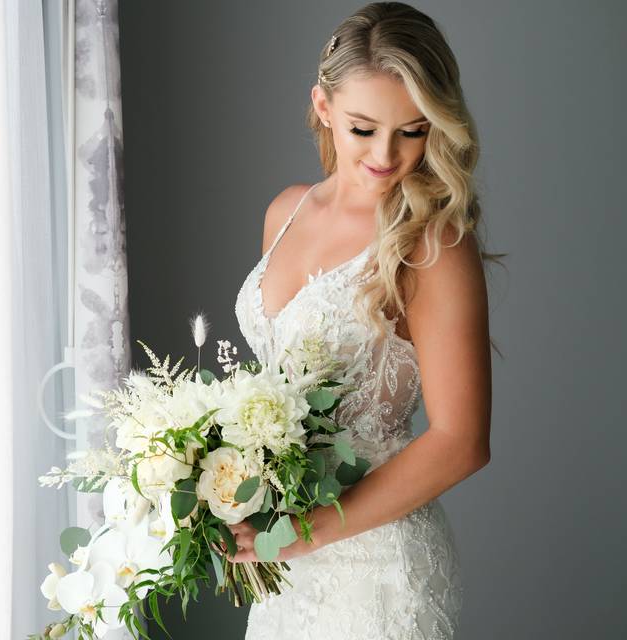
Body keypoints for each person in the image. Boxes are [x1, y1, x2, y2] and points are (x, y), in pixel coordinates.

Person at [230, 2, 498, 638]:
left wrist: (306, 533)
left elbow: (462, 440)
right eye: (362, 128)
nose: (386, 154)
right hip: (285, 564)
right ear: (323, 108)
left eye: (412, 130)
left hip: (375, 568)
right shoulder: (285, 212)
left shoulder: (431, 243)